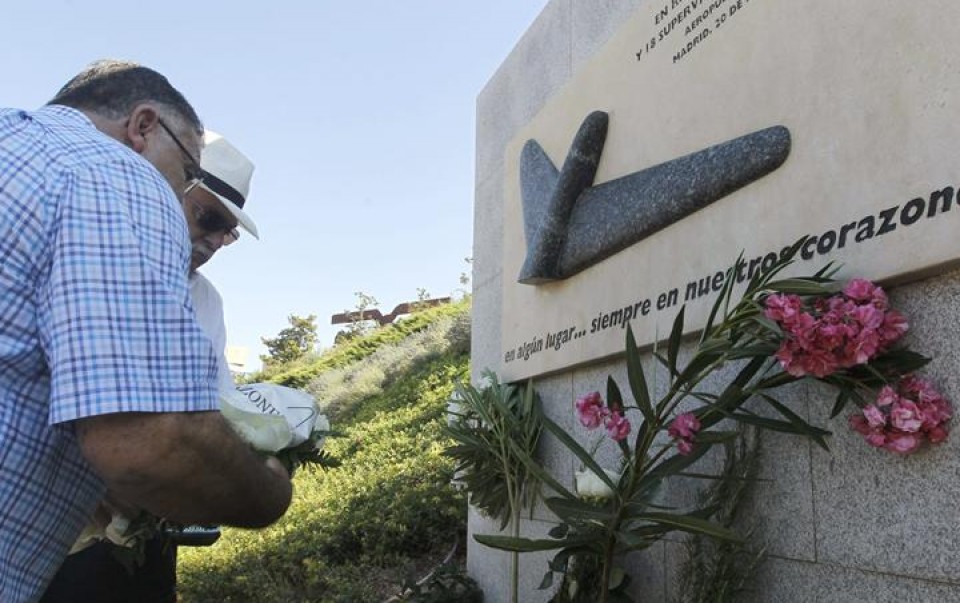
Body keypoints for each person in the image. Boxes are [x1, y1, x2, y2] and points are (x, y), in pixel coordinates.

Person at [0, 60, 292, 603]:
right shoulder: (119, 173)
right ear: (143, 128)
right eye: (191, 187)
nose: (213, 241)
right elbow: (146, 440)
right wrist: (268, 494)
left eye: (228, 235)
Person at [40, 131, 262, 603]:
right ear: (167, 187)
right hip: (59, 523)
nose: (217, 240)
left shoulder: (206, 300)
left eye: (229, 231)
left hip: (150, 525)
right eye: (208, 218)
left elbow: (215, 402)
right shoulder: (89, 256)